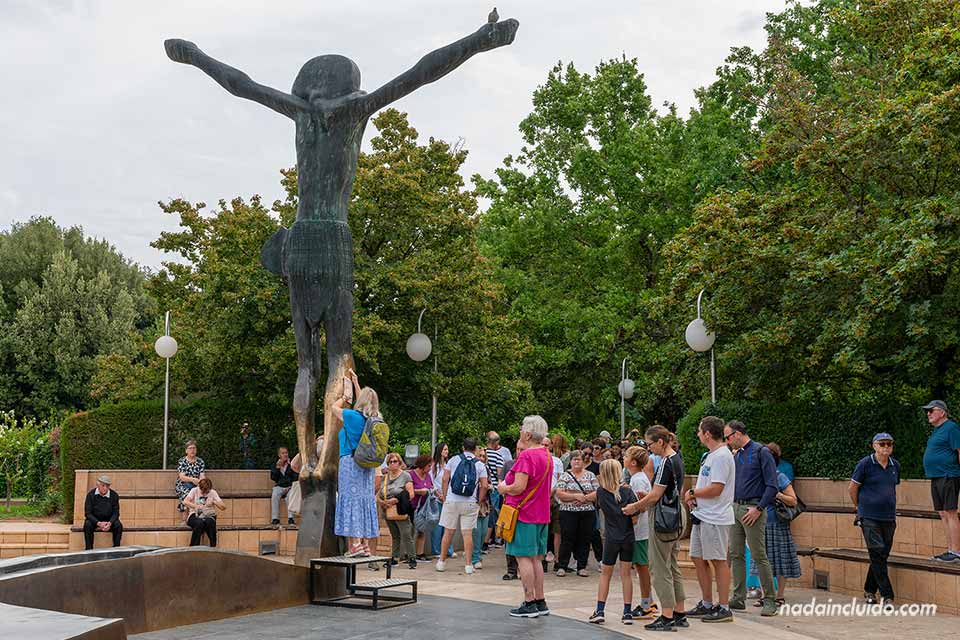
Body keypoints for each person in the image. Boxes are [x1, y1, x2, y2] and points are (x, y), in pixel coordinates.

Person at [627, 425, 688, 632]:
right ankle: (679, 612)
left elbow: (655, 495)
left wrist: (634, 507)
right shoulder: (678, 458)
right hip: (677, 514)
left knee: (659, 567)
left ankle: (667, 615)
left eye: (650, 444)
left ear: (660, 442)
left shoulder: (665, 463)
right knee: (672, 564)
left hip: (664, 517)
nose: (649, 448)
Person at [498, 415, 553, 618]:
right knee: (536, 558)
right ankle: (540, 600)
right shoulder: (546, 455)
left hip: (523, 514)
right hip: (541, 513)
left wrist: (504, 487)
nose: (520, 431)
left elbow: (518, 487)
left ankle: (529, 602)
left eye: (522, 428)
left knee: (523, 559)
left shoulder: (527, 456)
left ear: (528, 434)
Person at [724, 420, 779, 616]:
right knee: (736, 554)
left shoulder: (761, 452)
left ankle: (770, 599)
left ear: (738, 434)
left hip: (752, 508)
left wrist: (759, 508)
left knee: (758, 554)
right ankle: (738, 597)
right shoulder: (737, 454)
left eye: (728, 437)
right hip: (735, 507)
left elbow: (772, 485)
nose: (727, 441)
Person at [684, 416, 736, 623]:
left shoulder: (722, 455)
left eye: (699, 430)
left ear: (707, 433)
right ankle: (706, 603)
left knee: (718, 560)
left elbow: (717, 488)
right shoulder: (711, 455)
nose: (697, 434)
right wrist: (694, 499)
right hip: (703, 515)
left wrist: (693, 492)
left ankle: (724, 607)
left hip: (716, 517)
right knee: (698, 558)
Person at [332, 368, 380, 557]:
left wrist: (345, 395)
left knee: (350, 499)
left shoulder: (352, 417)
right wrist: (356, 382)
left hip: (350, 463)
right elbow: (364, 403)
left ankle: (355, 545)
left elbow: (333, 408)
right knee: (363, 501)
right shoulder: (375, 418)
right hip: (366, 466)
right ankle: (365, 544)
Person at [850, 433, 900, 605]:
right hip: (869, 516)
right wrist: (859, 508)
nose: (886, 447)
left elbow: (893, 487)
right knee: (877, 552)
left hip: (888, 517)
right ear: (874, 446)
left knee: (881, 554)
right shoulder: (864, 464)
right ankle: (888, 596)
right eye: (882, 444)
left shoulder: (895, 466)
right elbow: (853, 487)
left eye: (889, 444)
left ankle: (869, 590)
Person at [587, 459, 638, 625]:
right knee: (626, 575)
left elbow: (594, 501)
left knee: (605, 575)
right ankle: (627, 612)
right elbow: (635, 519)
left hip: (611, 538)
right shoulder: (628, 492)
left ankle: (600, 610)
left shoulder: (601, 492)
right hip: (628, 536)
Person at [752, 442, 801, 609]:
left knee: (780, 560)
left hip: (777, 524)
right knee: (759, 560)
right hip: (759, 523)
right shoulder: (757, 478)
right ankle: (766, 594)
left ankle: (779, 595)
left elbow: (793, 500)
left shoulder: (779, 476)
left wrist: (777, 494)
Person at [436, 437, 489, 574]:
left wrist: (446, 495)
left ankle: (441, 562)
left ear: (463, 447)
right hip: (470, 502)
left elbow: (445, 478)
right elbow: (484, 485)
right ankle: (468, 565)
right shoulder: (480, 464)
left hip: (452, 500)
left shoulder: (454, 460)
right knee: (467, 534)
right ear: (475, 448)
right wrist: (479, 500)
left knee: (448, 532)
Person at [921, 400, 960, 562]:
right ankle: (950, 550)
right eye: (927, 411)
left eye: (931, 410)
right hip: (936, 476)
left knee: (950, 513)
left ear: (942, 412)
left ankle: (956, 552)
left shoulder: (951, 428)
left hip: (948, 476)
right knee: (943, 513)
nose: (928, 414)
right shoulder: (937, 431)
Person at [624, 446, 658, 620]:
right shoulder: (639, 478)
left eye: (626, 455)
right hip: (641, 530)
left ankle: (647, 604)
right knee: (640, 565)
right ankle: (649, 600)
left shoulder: (637, 480)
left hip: (639, 531)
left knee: (641, 566)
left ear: (633, 462)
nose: (624, 457)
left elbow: (641, 506)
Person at [555, 450, 598, 577]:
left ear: (583, 461)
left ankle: (582, 566)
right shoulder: (565, 476)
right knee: (567, 538)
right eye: (574, 459)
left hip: (587, 512)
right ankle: (562, 565)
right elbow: (560, 493)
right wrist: (576, 497)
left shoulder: (590, 475)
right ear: (571, 461)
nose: (577, 462)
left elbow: (597, 493)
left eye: (579, 459)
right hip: (568, 512)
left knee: (584, 539)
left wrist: (584, 498)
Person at [377, 451, 417, 569]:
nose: (392, 464)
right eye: (390, 462)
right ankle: (394, 558)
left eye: (395, 461)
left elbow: (411, 494)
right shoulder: (385, 478)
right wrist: (382, 502)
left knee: (406, 534)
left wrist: (396, 500)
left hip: (400, 509)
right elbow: (378, 494)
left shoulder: (405, 476)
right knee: (394, 535)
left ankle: (412, 557)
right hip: (387, 510)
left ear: (399, 463)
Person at [83, 475, 122, 550]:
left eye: (107, 486)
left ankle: (116, 549)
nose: (105, 488)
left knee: (118, 525)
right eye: (103, 485)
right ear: (98, 485)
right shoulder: (90, 495)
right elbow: (88, 513)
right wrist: (99, 523)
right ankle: (89, 549)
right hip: (95, 520)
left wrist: (110, 523)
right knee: (87, 524)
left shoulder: (114, 495)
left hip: (109, 520)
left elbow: (116, 513)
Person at [430, 442, 455, 558]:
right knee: (437, 526)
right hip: (436, 498)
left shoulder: (448, 465)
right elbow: (431, 482)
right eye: (445, 449)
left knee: (448, 525)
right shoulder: (433, 466)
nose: (447, 452)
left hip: (448, 497)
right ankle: (436, 550)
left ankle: (448, 550)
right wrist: (438, 493)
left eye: (447, 449)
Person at [184, 477, 227, 546]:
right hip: (195, 514)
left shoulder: (213, 492)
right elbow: (185, 501)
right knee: (199, 523)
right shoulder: (194, 490)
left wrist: (214, 502)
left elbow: (223, 507)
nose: (204, 493)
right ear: (199, 487)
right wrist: (196, 506)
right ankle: (193, 547)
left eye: (206, 491)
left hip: (208, 515)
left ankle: (213, 546)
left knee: (210, 522)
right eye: (203, 491)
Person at [410, 454, 436, 560]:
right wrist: (418, 492)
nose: (430, 468)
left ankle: (420, 553)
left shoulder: (428, 476)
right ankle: (410, 553)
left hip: (424, 507)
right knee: (412, 530)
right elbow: (407, 489)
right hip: (413, 506)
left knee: (422, 530)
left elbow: (431, 487)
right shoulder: (411, 474)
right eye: (429, 466)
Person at [543, 436, 563, 566]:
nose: (545, 447)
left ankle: (557, 559)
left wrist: (552, 494)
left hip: (555, 499)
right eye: (542, 444)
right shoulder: (535, 460)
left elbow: (560, 480)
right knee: (542, 530)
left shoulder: (557, 461)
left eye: (547, 445)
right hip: (540, 500)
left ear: (551, 446)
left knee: (557, 530)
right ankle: (542, 558)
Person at [471, 447, 492, 569]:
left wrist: (490, 486)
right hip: (474, 502)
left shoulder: (486, 469)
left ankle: (477, 554)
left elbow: (489, 483)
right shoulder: (472, 468)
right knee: (476, 532)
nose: (482, 458)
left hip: (485, 503)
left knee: (484, 531)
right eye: (480, 456)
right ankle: (475, 558)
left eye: (484, 456)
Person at [175, 440, 205, 521]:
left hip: (196, 484)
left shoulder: (200, 461)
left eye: (194, 448)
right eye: (190, 448)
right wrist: (192, 479)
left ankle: (200, 518)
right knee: (187, 494)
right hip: (183, 484)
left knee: (202, 493)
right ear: (186, 451)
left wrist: (200, 483)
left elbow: (202, 476)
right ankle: (185, 520)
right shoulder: (182, 461)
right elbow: (182, 477)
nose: (192, 450)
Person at [270, 447, 298, 525]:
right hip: (279, 486)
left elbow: (295, 477)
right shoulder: (275, 464)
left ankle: (290, 518)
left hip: (289, 486)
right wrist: (277, 468)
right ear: (279, 455)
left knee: (290, 497)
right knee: (275, 495)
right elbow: (273, 478)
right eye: (283, 453)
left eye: (286, 453)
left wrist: (292, 467)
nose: (285, 455)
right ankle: (275, 518)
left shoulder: (292, 463)